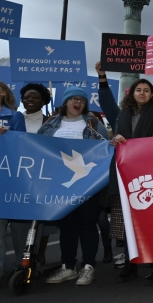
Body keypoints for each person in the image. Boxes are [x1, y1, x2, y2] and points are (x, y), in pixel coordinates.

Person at [37, 86, 109, 286]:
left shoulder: (93, 123)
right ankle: (68, 266)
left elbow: (105, 144)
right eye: (74, 99)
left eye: (82, 100)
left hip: (87, 181)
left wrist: (114, 143)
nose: (78, 102)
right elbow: (36, 144)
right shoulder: (52, 122)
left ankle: (88, 266)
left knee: (87, 224)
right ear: (66, 102)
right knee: (67, 225)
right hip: (59, 183)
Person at [109, 78, 153, 285]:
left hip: (150, 174)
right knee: (128, 219)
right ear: (132, 93)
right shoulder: (122, 115)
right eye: (139, 90)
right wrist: (116, 140)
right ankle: (130, 264)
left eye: (146, 90)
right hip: (127, 172)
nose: (142, 93)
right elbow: (117, 137)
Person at [19, 83, 53, 266]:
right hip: (20, 176)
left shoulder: (50, 122)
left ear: (44, 101)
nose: (30, 100)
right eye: (26, 97)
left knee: (41, 218)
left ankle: (40, 252)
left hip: (41, 176)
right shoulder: (15, 119)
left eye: (35, 97)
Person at [0, 80, 26, 287]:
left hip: (13, 181)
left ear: (3, 93)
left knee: (19, 232)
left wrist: (8, 136)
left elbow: (22, 145)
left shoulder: (15, 116)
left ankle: (21, 269)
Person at [89, 111, 113, 264]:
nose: (89, 120)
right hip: (83, 186)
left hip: (100, 187)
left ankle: (108, 249)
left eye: (93, 119)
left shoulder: (104, 143)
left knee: (102, 221)